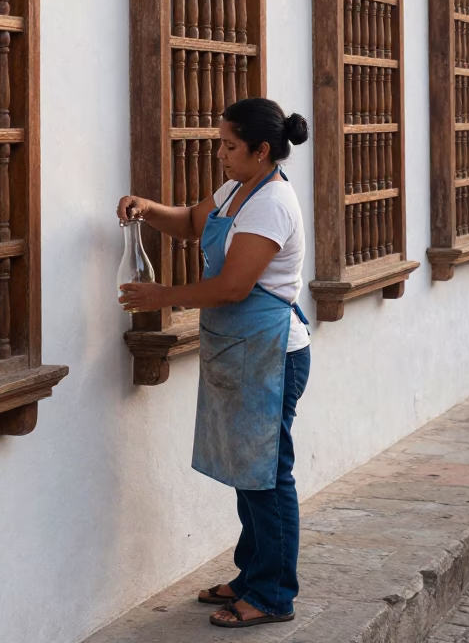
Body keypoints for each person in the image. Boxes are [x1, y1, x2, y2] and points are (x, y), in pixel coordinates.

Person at [117, 97, 310, 630]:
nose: (220, 154)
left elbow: (232, 287)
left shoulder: (271, 204)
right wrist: (147, 208)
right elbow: (190, 222)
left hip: (271, 353)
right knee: (249, 472)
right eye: (220, 143)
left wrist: (162, 297)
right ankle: (253, 575)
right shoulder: (235, 190)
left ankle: (273, 594)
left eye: (229, 145)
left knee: (267, 476)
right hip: (241, 349)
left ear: (261, 150)